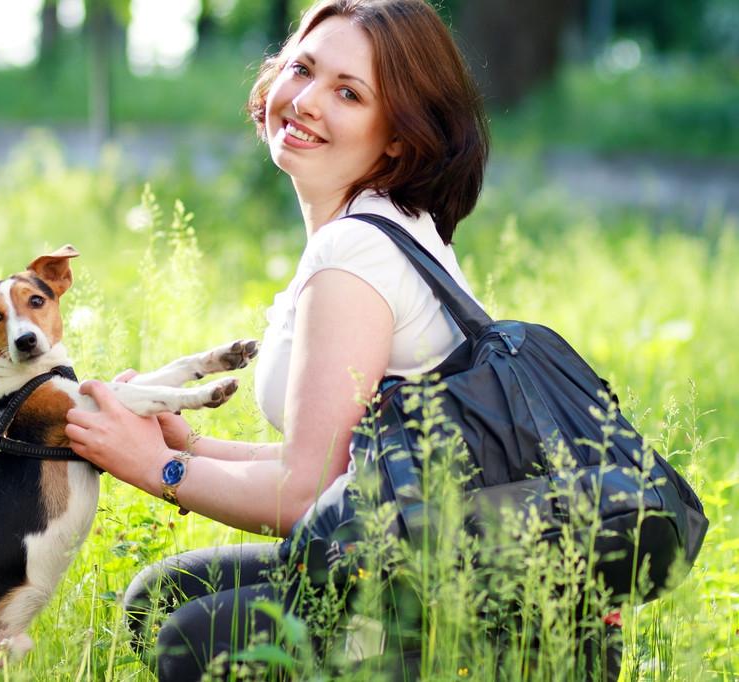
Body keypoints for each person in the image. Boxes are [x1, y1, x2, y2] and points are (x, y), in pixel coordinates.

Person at [66, 1, 616, 679]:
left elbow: (304, 499)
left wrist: (155, 468)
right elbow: (341, 472)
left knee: (193, 636)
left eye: (348, 93)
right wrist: (194, 444)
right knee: (167, 598)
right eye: (301, 69)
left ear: (397, 136)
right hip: (422, 560)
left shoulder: (355, 255)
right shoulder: (382, 224)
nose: (304, 102)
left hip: (472, 612)